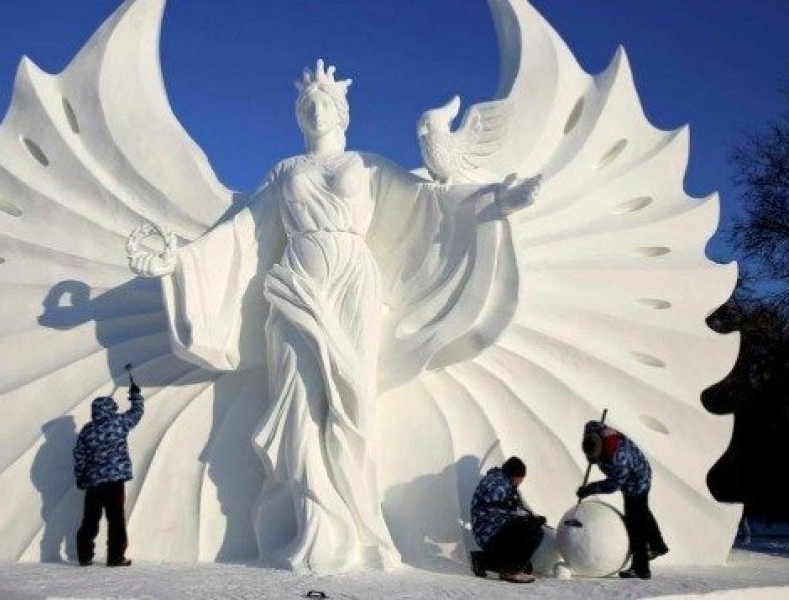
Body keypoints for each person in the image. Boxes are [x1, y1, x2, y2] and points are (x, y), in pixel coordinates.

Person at [128, 59, 541, 571]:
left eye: (326, 102)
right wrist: (180, 261)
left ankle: (361, 529)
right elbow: (241, 233)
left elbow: (427, 203)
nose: (317, 110)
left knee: (354, 406)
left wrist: (497, 199)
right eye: (308, 105)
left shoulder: (366, 166)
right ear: (300, 116)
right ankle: (311, 529)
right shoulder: (285, 171)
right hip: (295, 282)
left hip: (352, 285)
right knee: (297, 407)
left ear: (343, 112)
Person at [578, 420, 669, 579]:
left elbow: (612, 485)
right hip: (636, 468)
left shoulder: (618, 459)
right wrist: (592, 457)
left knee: (635, 524)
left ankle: (641, 568)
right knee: (642, 512)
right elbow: (590, 424)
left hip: (637, 481)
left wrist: (589, 489)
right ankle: (657, 545)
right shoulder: (592, 429)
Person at [73, 381, 144, 567]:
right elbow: (136, 413)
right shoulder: (119, 423)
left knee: (90, 519)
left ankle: (84, 556)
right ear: (111, 409)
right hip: (114, 481)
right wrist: (135, 395)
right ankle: (115, 557)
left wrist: (80, 477)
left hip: (93, 483)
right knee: (116, 520)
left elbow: (79, 456)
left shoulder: (87, 431)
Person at [470, 456, 546, 584]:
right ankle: (510, 571)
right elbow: (504, 507)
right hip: (491, 533)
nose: (521, 482)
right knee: (535, 533)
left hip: (489, 532)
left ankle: (482, 560)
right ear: (515, 475)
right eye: (521, 479)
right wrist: (530, 520)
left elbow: (514, 507)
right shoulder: (498, 484)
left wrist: (531, 517)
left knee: (525, 565)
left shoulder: (501, 481)